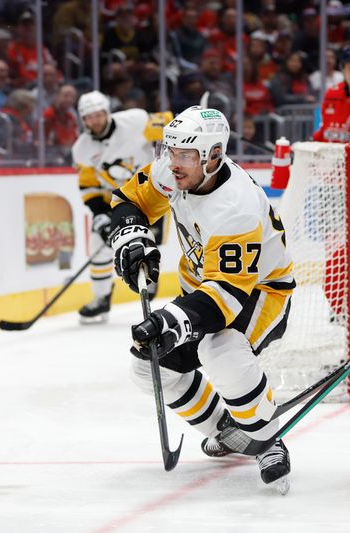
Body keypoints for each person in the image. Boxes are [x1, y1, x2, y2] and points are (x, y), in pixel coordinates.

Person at [109, 106, 295, 489]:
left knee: (220, 348)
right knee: (148, 367)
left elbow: (226, 298)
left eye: (185, 155)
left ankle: (266, 441)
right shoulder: (174, 171)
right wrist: (133, 239)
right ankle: (228, 430)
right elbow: (128, 202)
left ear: (213, 156)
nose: (174, 163)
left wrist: (170, 321)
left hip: (259, 293)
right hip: (203, 291)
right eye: (170, 151)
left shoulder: (235, 207)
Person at [71, 90, 171, 323]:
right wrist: (100, 215)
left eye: (99, 114)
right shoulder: (82, 149)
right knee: (99, 242)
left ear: (107, 112)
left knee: (147, 243)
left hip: (149, 194)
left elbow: (169, 123)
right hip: (117, 201)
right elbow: (89, 185)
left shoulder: (135, 121)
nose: (95, 121)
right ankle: (102, 298)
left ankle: (151, 279)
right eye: (89, 117)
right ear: (82, 120)